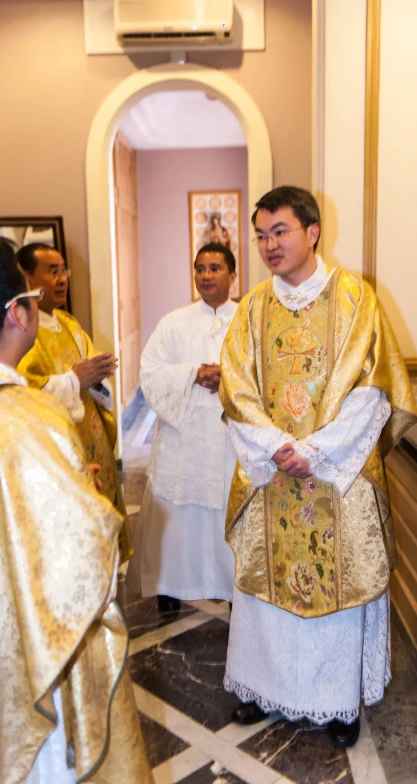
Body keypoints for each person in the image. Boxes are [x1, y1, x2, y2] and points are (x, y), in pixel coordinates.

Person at [0, 236, 152, 784]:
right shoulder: (28, 420)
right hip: (23, 664)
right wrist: (84, 497)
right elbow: (79, 570)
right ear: (17, 314)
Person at [219, 187, 417, 747]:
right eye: (259, 235)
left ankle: (336, 703)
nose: (268, 245)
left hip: (337, 476)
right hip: (271, 476)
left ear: (311, 232)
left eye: (279, 231)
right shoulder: (253, 308)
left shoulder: (357, 301)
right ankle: (264, 690)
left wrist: (316, 451)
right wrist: (271, 448)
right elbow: (236, 391)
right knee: (265, 595)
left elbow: (372, 391)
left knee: (338, 589)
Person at [129, 243, 238, 612]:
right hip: (184, 434)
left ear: (232, 276)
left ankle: (234, 587)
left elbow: (262, 376)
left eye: (215, 268)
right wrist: (193, 374)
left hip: (229, 436)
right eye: (200, 268)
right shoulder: (173, 323)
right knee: (177, 511)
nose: (206, 275)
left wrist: (229, 378)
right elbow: (150, 373)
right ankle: (170, 586)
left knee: (227, 505)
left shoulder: (248, 320)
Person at [15, 243, 133, 563]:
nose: (63, 279)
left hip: (93, 442)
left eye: (63, 270)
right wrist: (73, 380)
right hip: (59, 448)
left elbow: (95, 387)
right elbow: (22, 392)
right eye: (52, 272)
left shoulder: (69, 324)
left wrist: (97, 379)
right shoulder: (21, 330)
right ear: (26, 278)